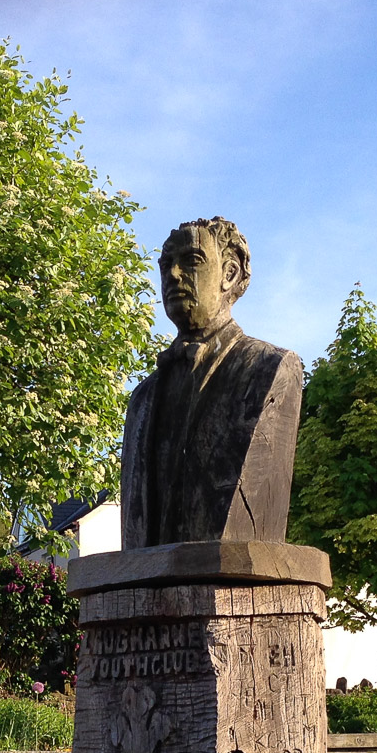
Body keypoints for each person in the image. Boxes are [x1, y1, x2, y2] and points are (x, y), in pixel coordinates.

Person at [120, 217, 304, 549]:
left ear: (229, 274)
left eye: (191, 261)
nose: (173, 275)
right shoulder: (142, 400)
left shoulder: (270, 368)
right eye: (166, 265)